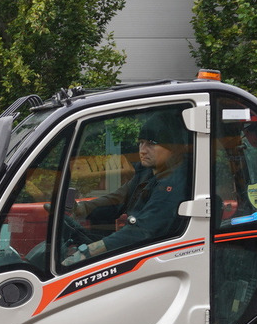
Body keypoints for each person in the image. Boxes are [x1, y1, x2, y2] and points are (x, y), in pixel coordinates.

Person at [63, 111, 192, 267]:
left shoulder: (175, 184)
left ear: (173, 146)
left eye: (151, 143)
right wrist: (83, 208)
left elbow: (143, 230)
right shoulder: (148, 173)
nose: (142, 150)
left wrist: (91, 250)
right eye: (141, 142)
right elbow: (119, 198)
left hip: (155, 259)